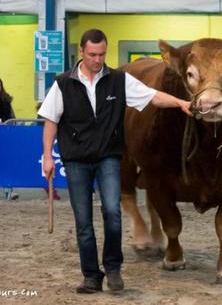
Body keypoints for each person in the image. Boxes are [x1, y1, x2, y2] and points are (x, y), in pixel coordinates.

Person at [39, 29, 192, 294]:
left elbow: (152, 96)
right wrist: (47, 157)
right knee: (83, 221)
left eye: (102, 54)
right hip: (75, 161)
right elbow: (51, 120)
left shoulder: (119, 80)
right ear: (82, 53)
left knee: (112, 213)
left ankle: (113, 269)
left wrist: (180, 102)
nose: (98, 60)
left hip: (108, 158)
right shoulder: (63, 83)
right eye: (93, 55)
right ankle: (90, 275)